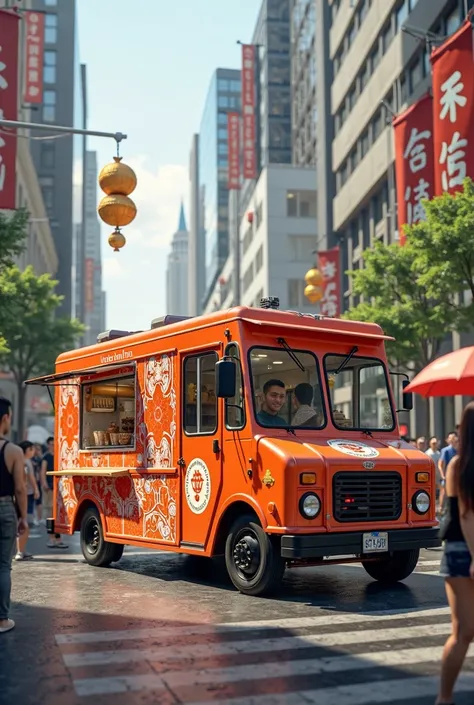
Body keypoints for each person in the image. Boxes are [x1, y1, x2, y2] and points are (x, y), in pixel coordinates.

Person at [437, 403, 474, 704]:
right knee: (464, 631)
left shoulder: (458, 464)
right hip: (464, 551)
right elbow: (465, 515)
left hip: (463, 551)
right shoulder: (457, 465)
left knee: (464, 631)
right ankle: (444, 698)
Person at [0, 397, 28, 634]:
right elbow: (20, 488)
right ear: (5, 418)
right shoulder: (13, 451)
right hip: (4, 509)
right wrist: (23, 517)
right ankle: (1, 620)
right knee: (2, 566)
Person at [40, 437, 67, 549]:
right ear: (48, 445)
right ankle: (51, 538)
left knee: (59, 513)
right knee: (50, 513)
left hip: (59, 487)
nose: (52, 446)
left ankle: (58, 539)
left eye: (54, 444)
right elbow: (43, 471)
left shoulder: (59, 456)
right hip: (50, 488)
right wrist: (44, 483)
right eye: (51, 444)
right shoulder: (46, 457)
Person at [15, 441, 39, 561]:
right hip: (24, 496)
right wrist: (36, 489)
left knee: (23, 523)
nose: (33, 451)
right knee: (24, 523)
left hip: (26, 495)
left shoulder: (26, 461)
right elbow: (28, 479)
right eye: (32, 449)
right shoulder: (23, 462)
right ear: (27, 450)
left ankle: (22, 550)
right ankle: (19, 552)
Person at [439, 432, 458, 513]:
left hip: (457, 476)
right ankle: (441, 508)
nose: (453, 439)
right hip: (448, 475)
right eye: (451, 438)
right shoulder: (446, 450)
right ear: (448, 440)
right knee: (444, 491)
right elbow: (440, 464)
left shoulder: (459, 450)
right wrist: (443, 475)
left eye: (454, 437)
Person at [426, 437, 442, 510]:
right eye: (433, 443)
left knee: (441, 491)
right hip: (431, 475)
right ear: (430, 444)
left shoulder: (439, 453)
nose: (434, 445)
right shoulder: (427, 453)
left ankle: (440, 506)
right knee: (431, 491)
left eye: (435, 443)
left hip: (438, 476)